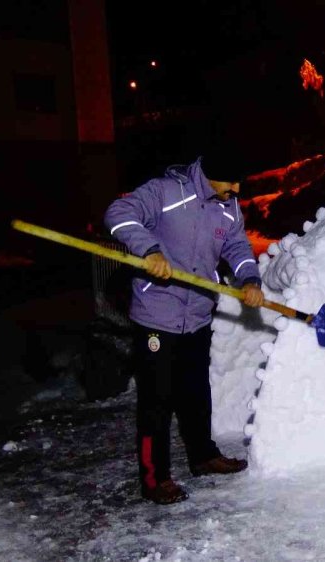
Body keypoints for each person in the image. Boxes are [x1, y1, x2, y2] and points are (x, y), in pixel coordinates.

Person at [104, 148, 265, 505]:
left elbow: (236, 245)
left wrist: (249, 278)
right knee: (156, 399)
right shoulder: (165, 191)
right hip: (156, 316)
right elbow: (118, 213)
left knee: (195, 392)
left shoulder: (228, 206)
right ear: (211, 173)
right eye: (231, 180)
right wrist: (149, 250)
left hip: (196, 316)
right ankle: (154, 477)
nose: (237, 188)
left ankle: (203, 456)